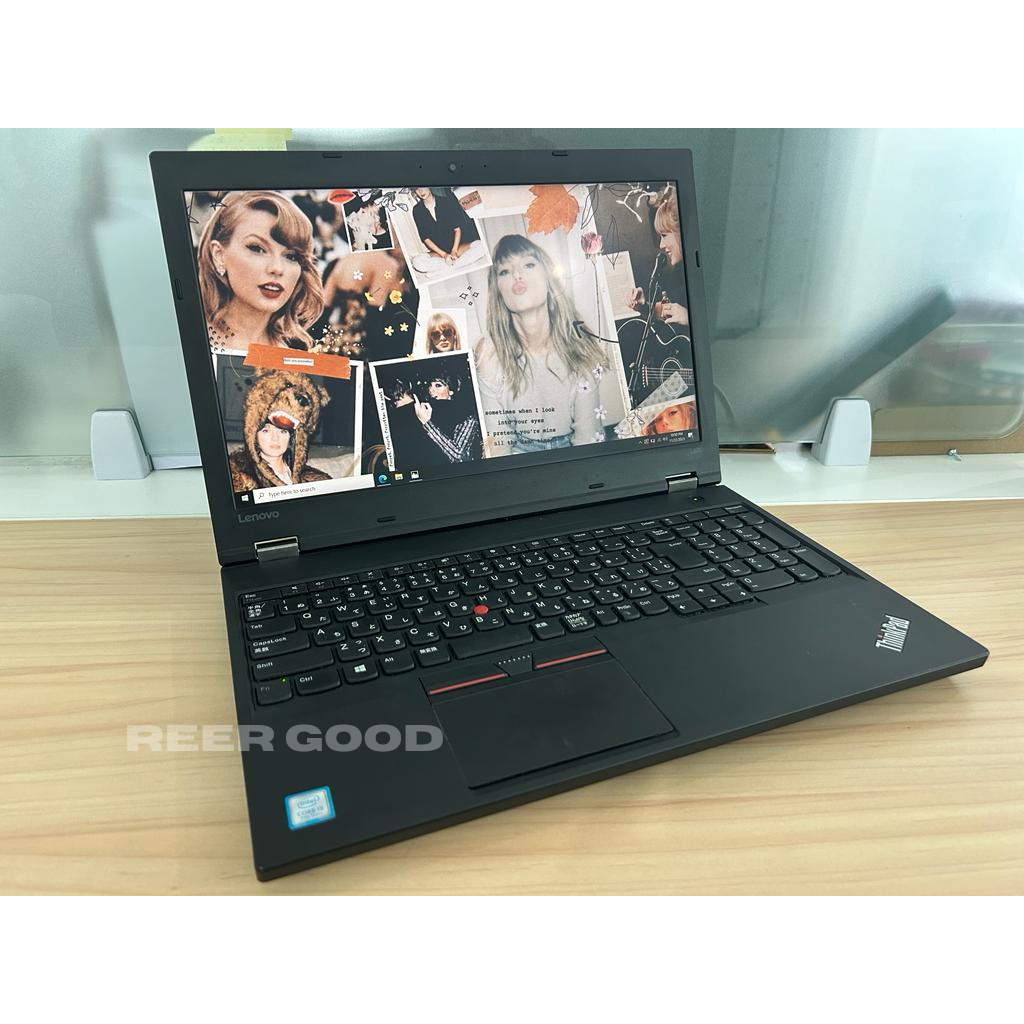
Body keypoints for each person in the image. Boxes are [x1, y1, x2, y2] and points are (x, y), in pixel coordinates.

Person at [473, 234, 610, 456]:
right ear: (498, 290)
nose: (516, 274)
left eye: (528, 265)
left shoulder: (581, 345)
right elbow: (498, 447)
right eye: (504, 271)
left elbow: (589, 441)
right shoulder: (487, 354)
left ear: (548, 278)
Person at [198, 190, 324, 353]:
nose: (277, 269)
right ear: (219, 255)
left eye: (291, 256)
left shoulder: (296, 359)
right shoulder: (182, 338)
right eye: (257, 248)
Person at [228, 368, 332, 491]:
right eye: (266, 431)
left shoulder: (314, 479)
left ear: (293, 437)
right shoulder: (239, 478)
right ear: (253, 434)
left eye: (282, 431)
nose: (275, 438)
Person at [627, 184, 689, 329]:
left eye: (664, 235)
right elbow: (668, 312)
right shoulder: (679, 273)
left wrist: (689, 318)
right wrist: (643, 306)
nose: (661, 245)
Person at [411, 368, 482, 464]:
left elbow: (458, 455)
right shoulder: (426, 411)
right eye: (430, 385)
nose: (431, 390)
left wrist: (427, 423)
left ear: (451, 390)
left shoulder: (467, 416)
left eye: (438, 385)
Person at [410, 187, 484, 274]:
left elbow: (457, 230)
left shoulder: (446, 202)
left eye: (423, 187)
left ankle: (449, 266)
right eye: (417, 189)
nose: (421, 191)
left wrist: (454, 251)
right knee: (416, 262)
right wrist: (444, 255)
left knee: (481, 246)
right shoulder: (417, 210)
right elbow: (426, 239)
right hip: (439, 253)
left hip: (457, 248)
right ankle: (455, 264)